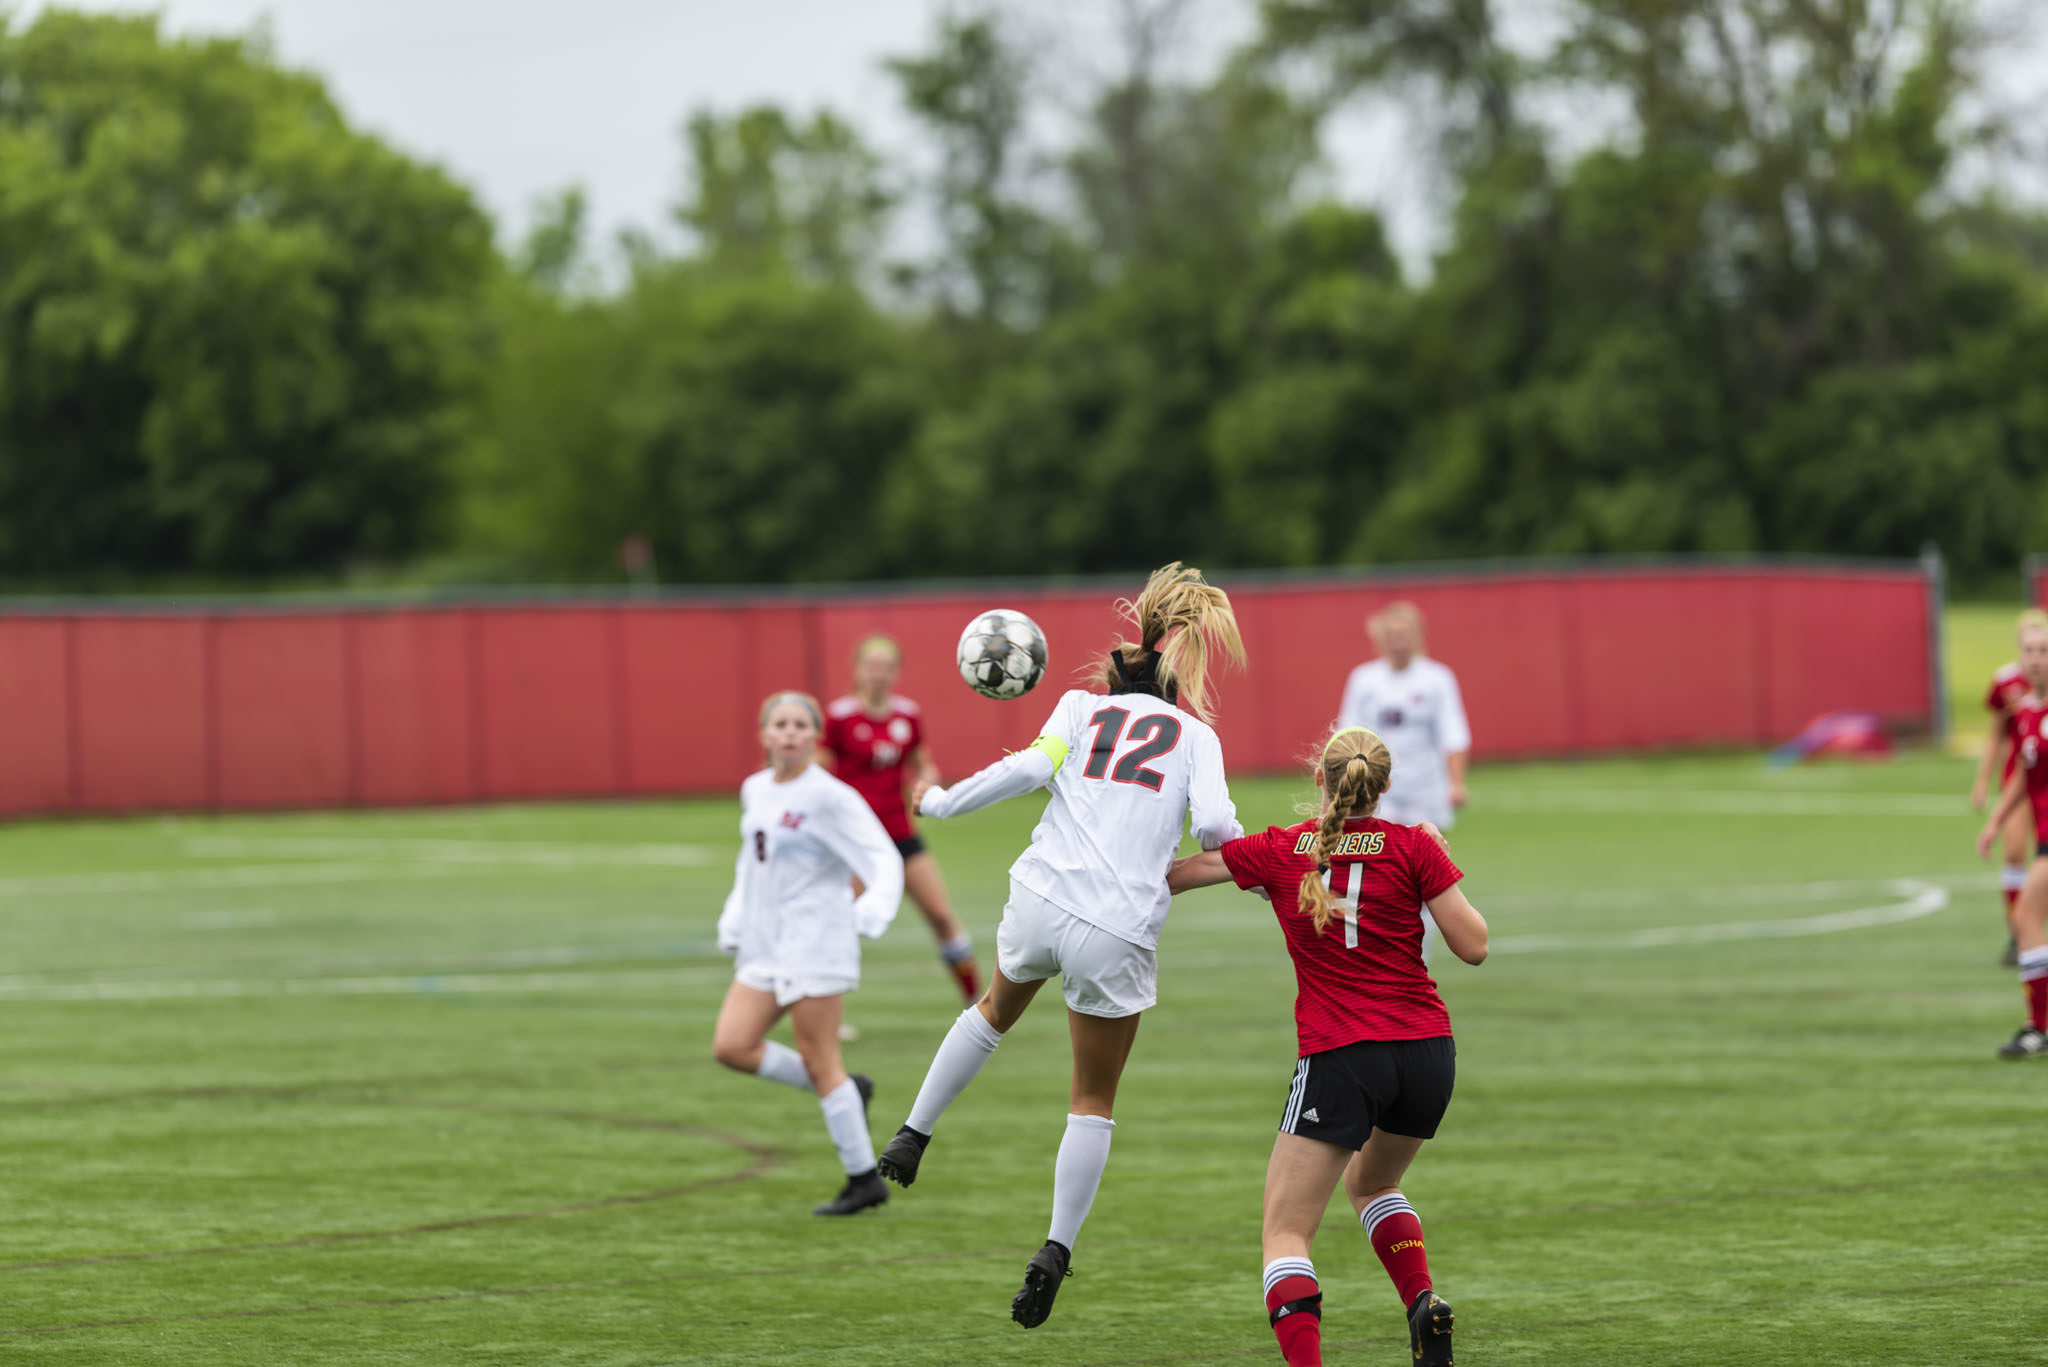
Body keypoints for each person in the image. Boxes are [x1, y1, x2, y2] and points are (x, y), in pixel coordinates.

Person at [872, 563, 1245, 1328]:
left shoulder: (1078, 707)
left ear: (1124, 661)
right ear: (1184, 677)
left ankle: (913, 1132)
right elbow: (1215, 829)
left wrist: (940, 800)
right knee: (1092, 1096)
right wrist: (1236, 861)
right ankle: (1054, 1249)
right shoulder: (1196, 737)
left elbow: (1023, 772)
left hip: (1040, 898)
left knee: (991, 1010)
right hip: (1116, 926)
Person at [1166, 726, 1487, 1367]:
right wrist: (1436, 859)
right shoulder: (1415, 845)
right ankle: (1422, 1302)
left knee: (1286, 1232)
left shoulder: (1282, 849)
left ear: (1321, 780)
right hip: (1427, 1052)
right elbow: (1474, 945)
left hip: (1341, 1054)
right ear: (1385, 786)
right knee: (1372, 1184)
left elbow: (1177, 876)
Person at [711, 691, 905, 1214]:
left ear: (815, 735)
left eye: (801, 724)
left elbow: (882, 857)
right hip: (766, 944)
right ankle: (846, 1090)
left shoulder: (830, 796)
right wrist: (734, 918)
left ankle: (865, 1180)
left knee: (821, 1057)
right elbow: (750, 865)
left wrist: (870, 913)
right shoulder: (755, 789)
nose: (790, 732)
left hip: (819, 940)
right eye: (781, 723)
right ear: (765, 733)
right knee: (732, 1045)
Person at [822, 635, 981, 1004]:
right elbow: (819, 766)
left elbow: (921, 761)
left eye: (885, 667)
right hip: (855, 841)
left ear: (895, 673)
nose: (878, 674)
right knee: (839, 923)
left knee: (942, 916)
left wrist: (928, 778)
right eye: (871, 666)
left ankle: (977, 1006)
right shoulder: (840, 717)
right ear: (857, 670)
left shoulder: (906, 714)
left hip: (899, 833)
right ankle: (825, 1016)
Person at [1337, 602, 1470, 829]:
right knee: (1387, 858)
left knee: (1428, 857)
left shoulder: (1437, 678)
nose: (1399, 642)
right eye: (1393, 635)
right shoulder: (1364, 679)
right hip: (1379, 789)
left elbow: (1453, 733)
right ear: (1381, 638)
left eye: (1404, 634)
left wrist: (1457, 784)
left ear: (1418, 636)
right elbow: (1348, 734)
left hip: (1426, 788)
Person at [1971, 611, 2048, 966]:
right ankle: (2019, 939)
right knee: (2016, 852)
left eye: (2042, 649)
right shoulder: (2010, 688)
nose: (2035, 657)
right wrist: (1985, 787)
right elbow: (2001, 741)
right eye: (2029, 648)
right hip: (2026, 781)